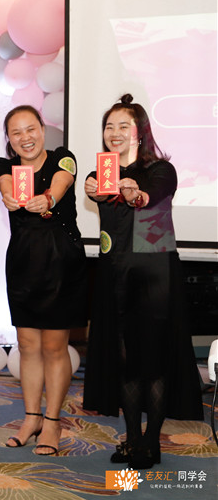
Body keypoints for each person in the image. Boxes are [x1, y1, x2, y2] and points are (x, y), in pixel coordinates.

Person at [81, 94, 202, 469]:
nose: (114, 133)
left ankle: (152, 441)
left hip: (153, 274)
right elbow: (103, 202)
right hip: (114, 272)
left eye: (124, 126)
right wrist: (92, 187)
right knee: (124, 359)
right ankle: (133, 437)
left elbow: (151, 195)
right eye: (109, 126)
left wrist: (136, 193)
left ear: (140, 131)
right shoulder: (101, 173)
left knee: (154, 359)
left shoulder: (161, 170)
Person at [0, 105, 86, 456]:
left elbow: (62, 181)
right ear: (9, 139)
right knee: (27, 345)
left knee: (54, 347)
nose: (25, 138)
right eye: (16, 133)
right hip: (23, 261)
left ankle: (52, 421)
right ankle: (31, 418)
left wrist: (48, 198)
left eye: (30, 129)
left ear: (42, 130)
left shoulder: (63, 158)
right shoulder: (5, 167)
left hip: (61, 260)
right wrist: (8, 194)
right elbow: (4, 184)